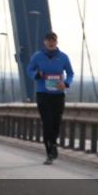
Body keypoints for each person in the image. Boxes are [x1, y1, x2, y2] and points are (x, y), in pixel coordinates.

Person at [26, 31, 74, 165]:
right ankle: (50, 152)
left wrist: (65, 83)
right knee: (47, 122)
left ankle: (53, 143)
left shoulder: (63, 57)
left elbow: (70, 73)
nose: (51, 42)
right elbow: (29, 69)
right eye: (48, 40)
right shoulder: (37, 56)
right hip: (43, 94)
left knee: (56, 123)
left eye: (53, 40)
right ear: (44, 42)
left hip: (58, 95)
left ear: (56, 42)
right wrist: (36, 74)